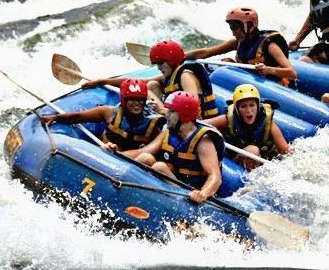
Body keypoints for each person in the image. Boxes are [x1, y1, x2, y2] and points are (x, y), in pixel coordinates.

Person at [123, 91, 224, 203]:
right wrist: (114, 152)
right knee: (145, 158)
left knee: (159, 167)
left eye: (172, 111)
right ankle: (124, 189)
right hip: (173, 183)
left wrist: (202, 194)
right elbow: (144, 151)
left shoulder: (203, 141)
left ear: (184, 115)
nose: (166, 114)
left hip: (188, 194)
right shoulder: (169, 132)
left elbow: (215, 177)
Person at [83, 39, 219, 119]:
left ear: (171, 60)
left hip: (201, 122)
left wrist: (164, 111)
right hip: (176, 117)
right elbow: (139, 84)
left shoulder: (185, 76)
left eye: (160, 64)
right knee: (151, 86)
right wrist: (104, 81)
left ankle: (160, 113)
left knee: (152, 86)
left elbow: (193, 108)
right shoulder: (171, 75)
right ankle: (157, 114)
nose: (159, 68)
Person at [41, 78, 165, 151]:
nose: (137, 104)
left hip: (132, 162)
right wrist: (55, 118)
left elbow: (156, 148)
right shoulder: (108, 112)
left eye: (140, 100)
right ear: (123, 100)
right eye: (132, 99)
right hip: (106, 153)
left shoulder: (152, 124)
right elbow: (77, 117)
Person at [185, 7, 297, 86]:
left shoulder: (270, 45)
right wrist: (181, 56)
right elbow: (207, 52)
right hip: (248, 82)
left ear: (248, 26)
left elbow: (292, 73)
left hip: (272, 85)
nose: (233, 33)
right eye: (231, 28)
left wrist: (268, 70)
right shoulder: (237, 42)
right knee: (226, 61)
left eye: (235, 28)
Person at [205, 83, 290, 171]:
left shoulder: (270, 125)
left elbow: (286, 152)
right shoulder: (228, 119)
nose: (249, 111)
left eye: (252, 105)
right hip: (236, 162)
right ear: (237, 109)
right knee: (253, 150)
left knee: (254, 151)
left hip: (264, 164)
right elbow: (200, 125)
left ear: (258, 105)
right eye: (243, 106)